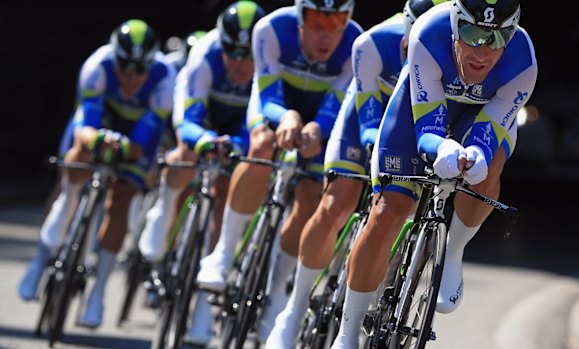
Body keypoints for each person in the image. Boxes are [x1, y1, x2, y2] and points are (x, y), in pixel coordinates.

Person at [330, 0, 538, 347]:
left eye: (497, 39)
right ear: (456, 27)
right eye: (471, 34)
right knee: (387, 213)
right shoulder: (428, 33)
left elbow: (491, 130)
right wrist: (442, 147)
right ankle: (346, 334)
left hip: (478, 116)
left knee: (490, 168)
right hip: (419, 116)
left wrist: (477, 153)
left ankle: (453, 251)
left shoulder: (523, 62)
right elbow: (427, 125)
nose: (482, 52)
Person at [264, 0, 446, 346]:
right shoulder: (373, 43)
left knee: (399, 216)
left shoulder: (461, 53)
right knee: (336, 204)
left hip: (417, 132)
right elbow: (369, 123)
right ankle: (294, 308)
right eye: (412, 48)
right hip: (368, 122)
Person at [195, 0, 363, 341]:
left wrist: (316, 129)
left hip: (320, 117)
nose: (326, 34)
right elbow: (267, 92)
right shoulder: (271, 29)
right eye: (317, 21)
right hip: (276, 105)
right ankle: (224, 253)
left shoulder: (355, 43)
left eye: (337, 23)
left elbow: (336, 105)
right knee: (260, 144)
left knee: (309, 199)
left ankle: (275, 297)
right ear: (300, 18)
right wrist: (285, 116)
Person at [17, 19, 175, 329]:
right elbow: (85, 128)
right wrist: (100, 140)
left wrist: (121, 147)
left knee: (122, 196)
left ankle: (99, 292)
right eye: (124, 70)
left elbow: (141, 146)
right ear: (114, 59)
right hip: (99, 122)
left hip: (137, 133)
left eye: (138, 72)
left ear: (149, 66)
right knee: (71, 167)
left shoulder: (165, 79)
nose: (130, 80)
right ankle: (41, 256)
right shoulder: (97, 66)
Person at [137, 1, 266, 345]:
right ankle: (163, 212)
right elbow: (187, 118)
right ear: (221, 44)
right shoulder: (204, 55)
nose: (241, 65)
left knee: (227, 196)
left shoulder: (269, 58)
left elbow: (260, 122)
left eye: (248, 55)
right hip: (204, 120)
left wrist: (238, 143)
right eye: (233, 54)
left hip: (240, 125)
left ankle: (204, 312)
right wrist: (206, 139)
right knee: (184, 154)